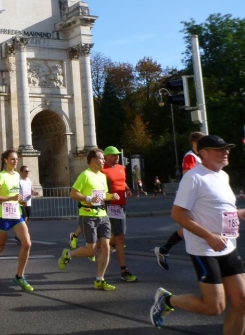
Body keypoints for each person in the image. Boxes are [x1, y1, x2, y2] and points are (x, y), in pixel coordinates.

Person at [150, 135, 245, 332]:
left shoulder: (223, 176)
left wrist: (239, 213)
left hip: (227, 245)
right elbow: (177, 214)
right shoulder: (193, 178)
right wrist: (209, 236)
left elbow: (216, 208)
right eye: (220, 149)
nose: (226, 152)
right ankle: (168, 300)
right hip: (205, 249)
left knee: (242, 301)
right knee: (214, 307)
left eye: (227, 148)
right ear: (204, 153)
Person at [58, 148, 120, 291]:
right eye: (101, 158)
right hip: (88, 216)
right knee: (91, 251)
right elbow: (73, 194)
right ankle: (68, 254)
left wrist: (112, 196)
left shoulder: (102, 176)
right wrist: (89, 199)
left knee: (106, 246)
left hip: (103, 215)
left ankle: (100, 279)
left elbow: (103, 195)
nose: (104, 161)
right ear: (93, 160)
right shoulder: (85, 175)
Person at [154, 131, 206, 270]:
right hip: (193, 198)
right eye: (203, 142)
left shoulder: (199, 157)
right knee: (194, 227)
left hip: (198, 197)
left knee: (192, 227)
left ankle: (164, 250)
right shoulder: (191, 156)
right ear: (195, 143)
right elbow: (188, 176)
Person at [0, 150, 34, 292]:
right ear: (5, 160)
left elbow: (16, 195)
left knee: (27, 244)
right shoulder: (1, 176)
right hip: (4, 216)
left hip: (16, 214)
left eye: (16, 159)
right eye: (12, 159)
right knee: (0, 247)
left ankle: (20, 276)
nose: (15, 161)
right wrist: (10, 198)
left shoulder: (17, 175)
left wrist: (21, 202)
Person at [101, 146, 138, 282]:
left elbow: (122, 181)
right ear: (106, 157)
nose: (116, 157)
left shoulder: (121, 168)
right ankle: (124, 271)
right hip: (111, 205)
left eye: (117, 154)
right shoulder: (102, 170)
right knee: (120, 238)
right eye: (113, 155)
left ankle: (90, 249)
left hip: (121, 205)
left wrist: (127, 189)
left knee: (114, 238)